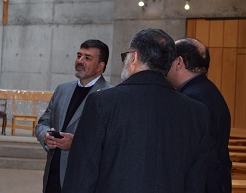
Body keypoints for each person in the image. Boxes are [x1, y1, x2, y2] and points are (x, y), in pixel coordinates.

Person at [62, 28, 211, 193]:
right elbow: (196, 182)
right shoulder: (197, 112)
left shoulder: (102, 103)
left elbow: (82, 176)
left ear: (134, 57)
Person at [35, 39, 113, 192]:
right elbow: (42, 123)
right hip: (53, 178)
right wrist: (45, 135)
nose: (80, 61)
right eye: (79, 55)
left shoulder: (111, 96)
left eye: (87, 58)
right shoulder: (62, 90)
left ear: (100, 66)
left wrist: (76, 144)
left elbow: (112, 141)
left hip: (84, 181)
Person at [166, 38, 232, 193]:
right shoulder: (206, 90)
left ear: (178, 62)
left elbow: (188, 156)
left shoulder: (192, 98)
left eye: (168, 59)